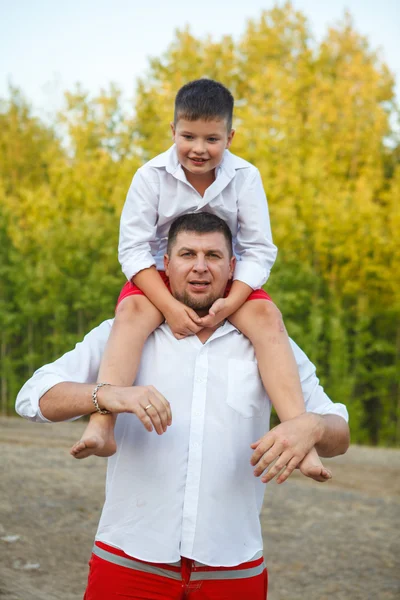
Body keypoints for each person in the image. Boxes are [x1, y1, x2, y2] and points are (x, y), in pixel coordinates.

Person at [16, 213, 350, 600]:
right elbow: (32, 396)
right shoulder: (121, 334)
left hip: (235, 569)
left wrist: (312, 426)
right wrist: (107, 394)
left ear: (233, 268)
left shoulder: (271, 344)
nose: (200, 267)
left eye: (213, 256)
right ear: (166, 265)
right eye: (187, 254)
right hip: (127, 562)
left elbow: (339, 433)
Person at [71, 78, 326, 480]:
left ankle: (299, 434)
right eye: (188, 136)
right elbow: (133, 249)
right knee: (133, 311)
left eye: (212, 139)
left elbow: (259, 249)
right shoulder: (150, 176)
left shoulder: (246, 177)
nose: (199, 149)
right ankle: (102, 426)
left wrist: (234, 299)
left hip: (227, 276)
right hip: (160, 275)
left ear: (230, 136)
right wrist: (169, 306)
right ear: (173, 131)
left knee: (268, 320)